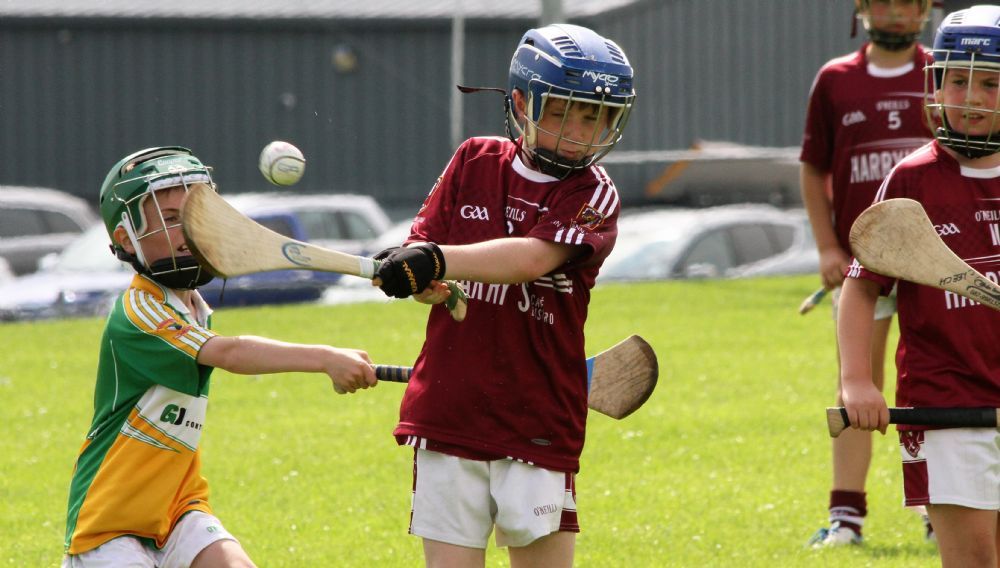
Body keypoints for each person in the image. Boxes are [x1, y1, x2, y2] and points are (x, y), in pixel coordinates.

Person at [368, 23, 635, 567]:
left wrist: (436, 260)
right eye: (562, 112)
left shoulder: (594, 193)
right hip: (448, 413)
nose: (579, 132)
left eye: (594, 117)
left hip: (536, 424)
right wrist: (424, 283)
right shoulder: (473, 161)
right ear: (520, 103)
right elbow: (426, 258)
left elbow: (531, 259)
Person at [62, 147, 377, 567]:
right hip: (111, 516)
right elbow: (229, 352)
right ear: (126, 238)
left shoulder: (193, 306)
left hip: (179, 506)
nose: (189, 229)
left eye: (195, 215)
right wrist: (324, 358)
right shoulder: (139, 309)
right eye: (171, 219)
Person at [840, 5, 1000, 566]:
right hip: (946, 404)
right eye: (957, 81)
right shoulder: (913, 179)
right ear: (935, 83)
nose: (971, 98)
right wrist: (856, 381)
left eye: (990, 84)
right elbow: (861, 287)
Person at [800, 0, 936, 547]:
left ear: (925, 9)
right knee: (856, 383)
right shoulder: (835, 80)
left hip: (937, 263)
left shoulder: (946, 74)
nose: (896, 12)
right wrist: (827, 247)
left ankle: (940, 508)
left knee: (937, 383)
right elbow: (813, 167)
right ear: (861, 7)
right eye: (884, 0)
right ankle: (846, 517)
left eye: (908, 2)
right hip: (866, 266)